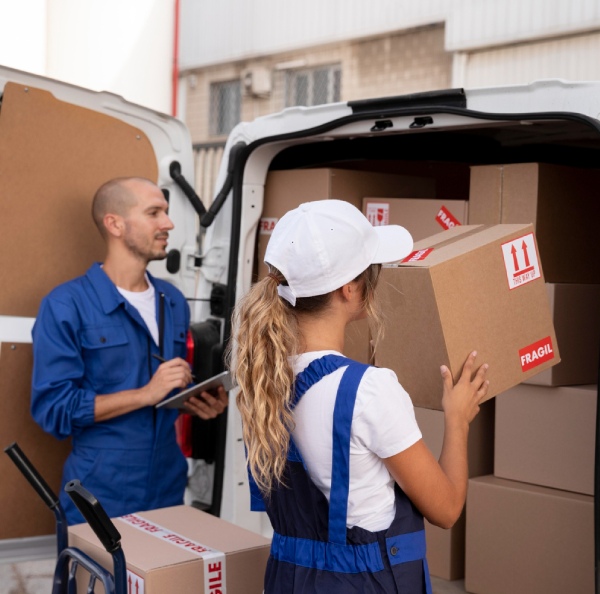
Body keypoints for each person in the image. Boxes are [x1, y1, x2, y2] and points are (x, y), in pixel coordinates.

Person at [229, 199, 489, 593]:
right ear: (349, 288)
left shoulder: (262, 381)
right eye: (373, 270)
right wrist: (458, 420)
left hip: (288, 582)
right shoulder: (368, 390)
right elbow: (447, 508)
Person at [31, 177, 228, 525]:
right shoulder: (66, 305)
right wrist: (145, 394)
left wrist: (197, 403)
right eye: (154, 213)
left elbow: (166, 390)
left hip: (168, 484)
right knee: (101, 581)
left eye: (166, 213)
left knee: (164, 579)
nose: (168, 223)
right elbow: (53, 409)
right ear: (115, 224)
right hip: (101, 490)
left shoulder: (173, 301)